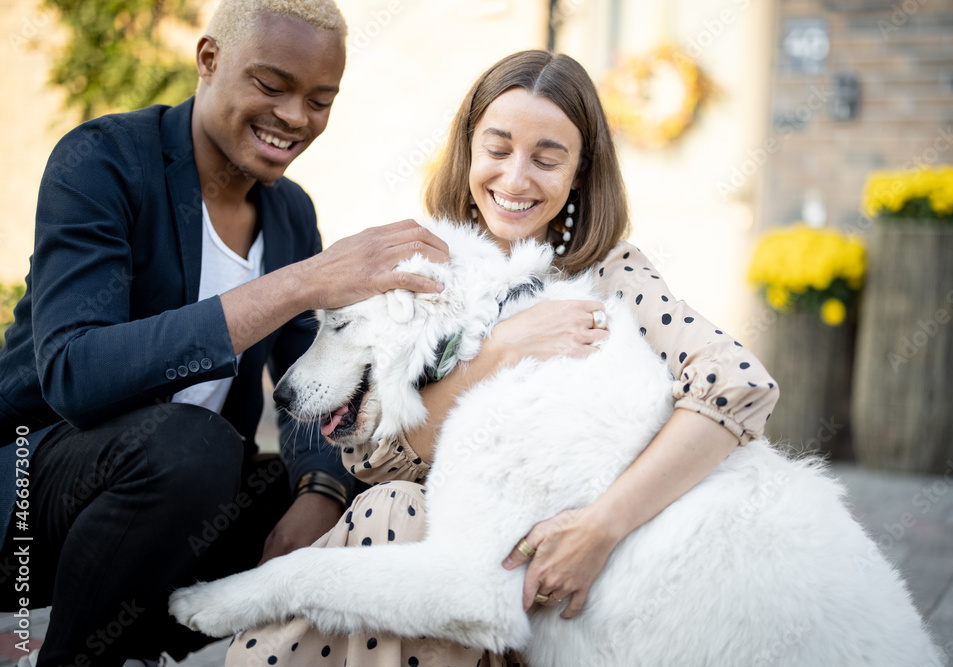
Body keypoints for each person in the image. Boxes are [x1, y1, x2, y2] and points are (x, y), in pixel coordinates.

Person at [227, 49, 780, 666]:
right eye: (497, 150)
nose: (516, 180)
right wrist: (499, 352)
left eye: (547, 159)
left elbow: (738, 383)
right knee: (397, 510)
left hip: (577, 563)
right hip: (452, 552)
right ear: (467, 150)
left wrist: (601, 526)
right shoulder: (420, 263)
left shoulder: (613, 274)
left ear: (579, 170)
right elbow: (375, 460)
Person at [0, 0, 451, 664]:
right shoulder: (102, 162)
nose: (297, 117)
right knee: (195, 446)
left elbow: (309, 387)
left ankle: (161, 639)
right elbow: (74, 370)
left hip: (181, 502)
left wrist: (321, 490)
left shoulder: (290, 214)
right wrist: (298, 284)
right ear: (209, 60)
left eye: (321, 100)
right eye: (272, 85)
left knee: (368, 488)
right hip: (35, 492)